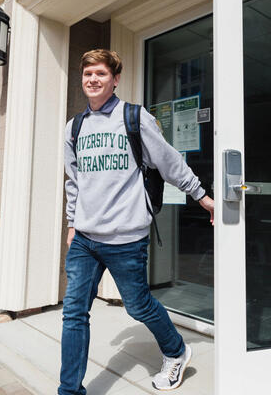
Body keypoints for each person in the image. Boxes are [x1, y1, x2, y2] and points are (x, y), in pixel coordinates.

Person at [60, 49, 215, 394]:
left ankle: (177, 351)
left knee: (138, 305)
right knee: (73, 314)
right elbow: (74, 181)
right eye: (88, 74)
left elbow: (169, 162)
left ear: (115, 80)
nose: (93, 80)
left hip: (126, 239)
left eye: (100, 73)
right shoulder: (75, 127)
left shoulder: (135, 118)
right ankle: (69, 390)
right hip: (85, 239)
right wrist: (72, 224)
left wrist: (201, 196)